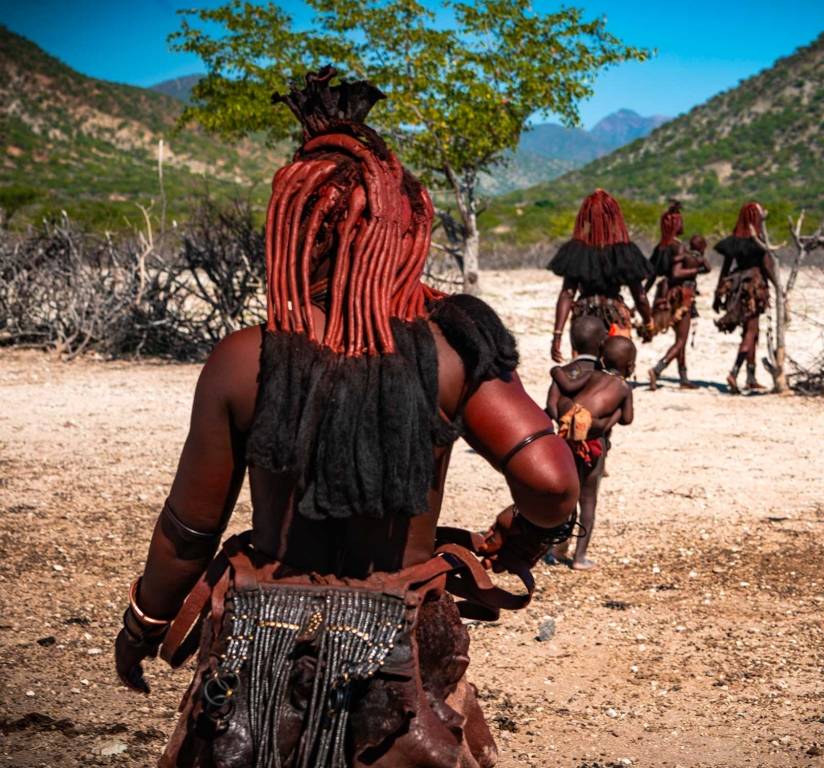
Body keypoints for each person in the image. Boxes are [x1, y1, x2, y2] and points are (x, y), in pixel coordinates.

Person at [113, 67, 579, 768]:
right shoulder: (448, 347)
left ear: (293, 229)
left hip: (257, 658)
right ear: (403, 224)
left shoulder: (245, 359)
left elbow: (188, 531)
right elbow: (550, 481)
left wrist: (145, 620)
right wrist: (519, 543)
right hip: (398, 656)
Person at [548, 336, 635, 570]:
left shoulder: (593, 375)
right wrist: (612, 417)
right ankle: (579, 557)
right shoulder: (624, 388)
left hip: (568, 436)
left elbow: (567, 386)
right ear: (631, 367)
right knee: (588, 500)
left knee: (568, 494)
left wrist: (556, 371)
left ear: (602, 359)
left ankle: (556, 547)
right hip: (592, 443)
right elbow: (627, 419)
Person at [548, 189, 654, 362]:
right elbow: (640, 296)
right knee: (616, 372)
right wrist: (648, 323)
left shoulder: (577, 250)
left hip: (584, 317)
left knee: (584, 370)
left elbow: (567, 294)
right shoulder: (625, 251)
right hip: (615, 316)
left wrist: (557, 335)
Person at [712, 201, 779, 394]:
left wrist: (718, 295)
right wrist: (778, 287)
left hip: (735, 286)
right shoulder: (757, 242)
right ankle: (734, 372)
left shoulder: (734, 241)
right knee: (751, 331)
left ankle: (751, 377)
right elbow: (767, 267)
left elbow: (724, 269)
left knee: (751, 332)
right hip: (753, 288)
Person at [646, 202, 711, 389]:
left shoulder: (660, 247)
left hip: (665, 295)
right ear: (675, 225)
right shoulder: (679, 247)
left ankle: (683, 378)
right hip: (681, 297)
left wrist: (643, 296)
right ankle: (658, 369)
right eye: (680, 222)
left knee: (678, 339)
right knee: (682, 339)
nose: (683, 225)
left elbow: (652, 275)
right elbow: (676, 274)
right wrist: (695, 270)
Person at [544, 315, 607, 421]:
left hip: (566, 432)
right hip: (595, 432)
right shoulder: (604, 374)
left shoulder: (562, 372)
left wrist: (562, 423)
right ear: (603, 343)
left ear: (573, 344)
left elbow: (551, 404)